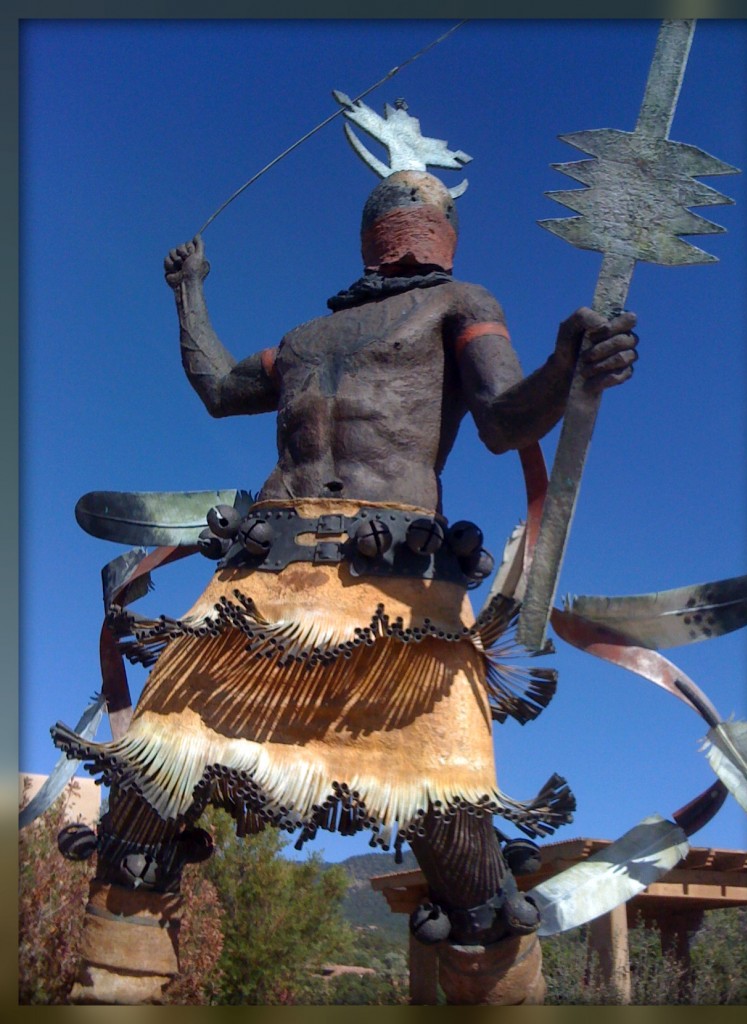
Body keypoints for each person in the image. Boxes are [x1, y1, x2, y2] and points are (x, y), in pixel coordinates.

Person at [54, 159, 638, 1004]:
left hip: (397, 595)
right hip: (258, 583)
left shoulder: (460, 305)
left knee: (453, 828)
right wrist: (189, 293)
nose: (406, 213)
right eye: (394, 206)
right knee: (149, 789)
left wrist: (568, 367)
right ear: (370, 232)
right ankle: (111, 986)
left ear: (441, 230)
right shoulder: (300, 342)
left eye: (421, 205)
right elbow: (221, 390)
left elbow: (507, 420)